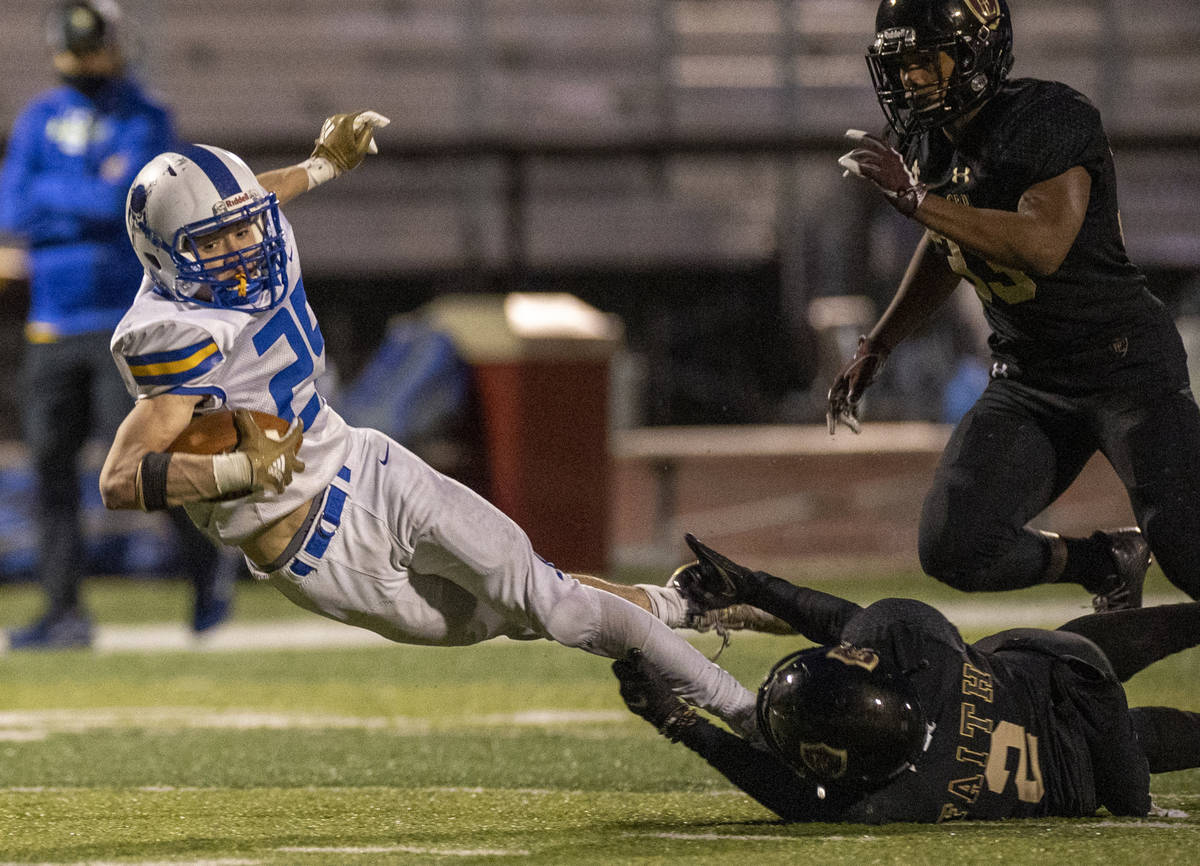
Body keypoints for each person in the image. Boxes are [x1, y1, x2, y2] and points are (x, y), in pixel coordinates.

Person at [95, 112, 760, 740]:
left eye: (244, 229)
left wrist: (323, 165)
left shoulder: (256, 227)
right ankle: (684, 605)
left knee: (549, 601)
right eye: (212, 242)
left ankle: (750, 713)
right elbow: (120, 480)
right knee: (534, 609)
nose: (241, 249)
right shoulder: (173, 331)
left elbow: (260, 194)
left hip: (367, 467)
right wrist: (238, 467)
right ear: (163, 257)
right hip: (319, 557)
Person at [824, 0, 1200, 611]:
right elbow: (948, 244)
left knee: (1192, 555)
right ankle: (1106, 563)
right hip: (1029, 379)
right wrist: (880, 343)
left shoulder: (1047, 118)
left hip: (1124, 369)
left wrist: (919, 199)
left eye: (926, 59)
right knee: (957, 544)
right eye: (900, 63)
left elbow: (1043, 245)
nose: (911, 78)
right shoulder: (926, 142)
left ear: (975, 55)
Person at [614, 534, 1200, 823]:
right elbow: (849, 620)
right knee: (1113, 737)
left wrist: (680, 722)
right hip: (1052, 667)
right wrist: (756, 587)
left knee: (1127, 794)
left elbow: (797, 798)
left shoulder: (900, 795)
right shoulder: (922, 653)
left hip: (1065, 753)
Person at [0, 0, 236, 648]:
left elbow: (126, 200)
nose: (82, 63)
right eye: (72, 51)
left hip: (124, 324)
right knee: (51, 470)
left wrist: (66, 198)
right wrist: (85, 195)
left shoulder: (145, 114)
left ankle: (205, 570)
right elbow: (12, 203)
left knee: (144, 463)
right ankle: (63, 610)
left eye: (91, 49)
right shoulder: (40, 118)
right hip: (50, 325)